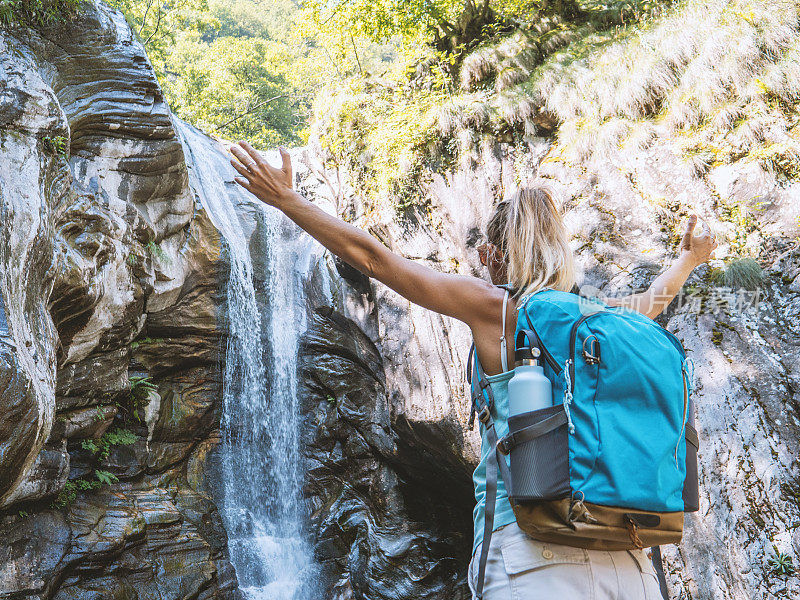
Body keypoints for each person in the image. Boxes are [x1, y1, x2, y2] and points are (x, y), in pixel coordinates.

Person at [229, 141, 717, 599]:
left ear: (498, 254)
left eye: (485, 254)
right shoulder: (594, 316)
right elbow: (654, 301)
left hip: (534, 549)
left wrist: (289, 201)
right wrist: (692, 256)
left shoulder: (499, 310)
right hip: (627, 556)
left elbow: (376, 260)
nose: (480, 263)